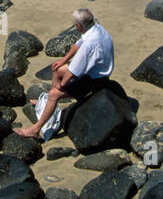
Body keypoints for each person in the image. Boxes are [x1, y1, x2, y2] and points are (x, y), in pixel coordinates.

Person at [14, 10, 113, 139]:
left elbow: (73, 72)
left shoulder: (90, 45)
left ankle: (35, 129)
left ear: (79, 26)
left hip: (95, 80)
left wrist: (61, 86)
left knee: (55, 94)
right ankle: (49, 103)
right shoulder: (95, 28)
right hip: (92, 70)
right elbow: (78, 45)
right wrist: (63, 60)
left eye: (75, 23)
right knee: (57, 68)